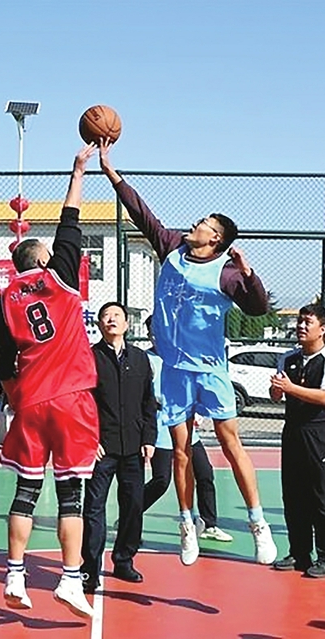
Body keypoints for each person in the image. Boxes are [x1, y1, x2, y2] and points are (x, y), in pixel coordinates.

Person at [99, 140, 276, 567]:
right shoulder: (172, 248)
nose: (195, 224)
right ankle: (186, 523)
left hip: (211, 369)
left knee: (230, 443)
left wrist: (250, 274)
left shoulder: (228, 274)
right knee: (180, 452)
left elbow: (258, 308)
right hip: (175, 370)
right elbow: (142, 214)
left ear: (215, 239)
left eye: (204, 223)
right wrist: (111, 172)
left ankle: (258, 523)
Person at [0, 145, 100, 619]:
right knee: (72, 495)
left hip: (31, 401)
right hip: (72, 399)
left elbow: (1, 361)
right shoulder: (62, 278)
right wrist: (78, 171)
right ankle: (70, 580)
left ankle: (15, 574)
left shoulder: (4, 299)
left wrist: (17, 397)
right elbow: (70, 220)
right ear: (47, 258)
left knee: (26, 492)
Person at [81, 302, 156, 593]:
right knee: (94, 508)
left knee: (134, 505)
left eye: (116, 316)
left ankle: (124, 560)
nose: (111, 320)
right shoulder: (89, 358)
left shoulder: (140, 359)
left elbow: (148, 402)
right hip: (101, 448)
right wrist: (90, 439)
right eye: (105, 316)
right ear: (99, 324)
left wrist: (148, 438)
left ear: (126, 324)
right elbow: (82, 402)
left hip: (134, 447)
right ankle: (90, 568)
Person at [270, 305, 325, 578]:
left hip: (321, 434)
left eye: (307, 322)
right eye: (300, 321)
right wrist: (277, 390)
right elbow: (277, 395)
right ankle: (299, 553)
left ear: (322, 329)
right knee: (294, 495)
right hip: (293, 432)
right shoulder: (288, 358)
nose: (301, 326)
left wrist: (291, 388)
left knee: (324, 496)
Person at [142, 316, 232, 543]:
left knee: (205, 473)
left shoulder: (182, 357)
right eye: (153, 332)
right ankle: (130, 515)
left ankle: (209, 524)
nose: (157, 335)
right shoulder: (146, 360)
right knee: (161, 480)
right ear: (149, 335)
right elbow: (143, 396)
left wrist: (197, 408)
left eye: (161, 330)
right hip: (161, 428)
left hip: (186, 427)